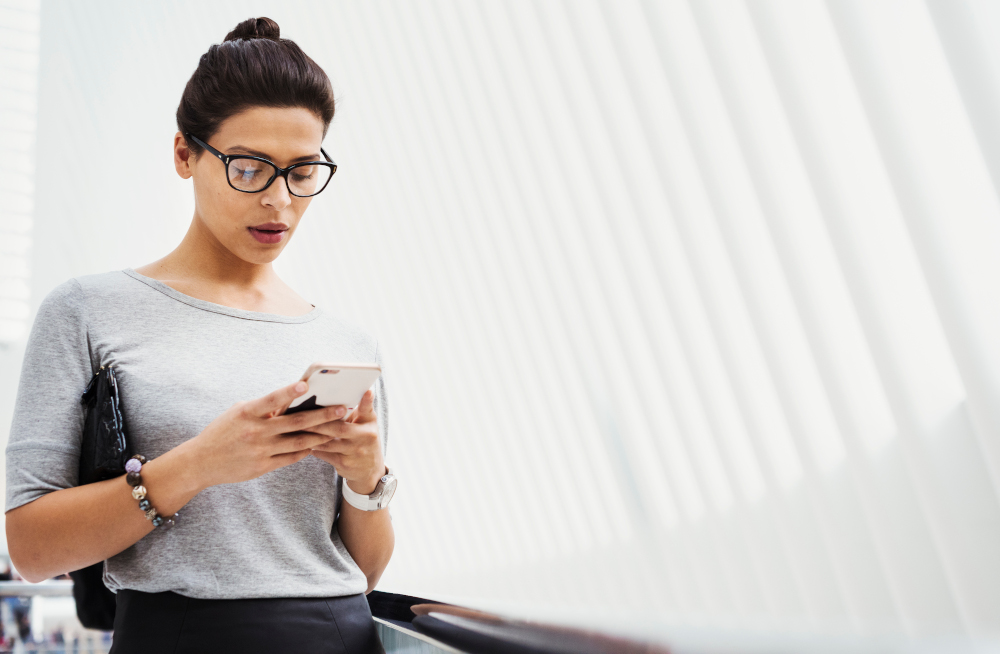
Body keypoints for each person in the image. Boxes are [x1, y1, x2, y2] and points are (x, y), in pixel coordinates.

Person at [3, 17, 395, 653]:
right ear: (185, 154)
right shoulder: (87, 311)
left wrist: (366, 480)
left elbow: (367, 569)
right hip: (179, 636)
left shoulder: (347, 342)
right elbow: (32, 548)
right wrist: (199, 464)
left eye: (302, 171)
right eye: (249, 167)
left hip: (340, 634)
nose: (280, 201)